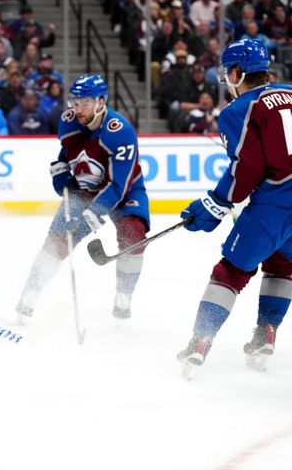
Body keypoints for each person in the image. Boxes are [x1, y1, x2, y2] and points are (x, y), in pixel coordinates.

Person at [176, 38, 292, 375]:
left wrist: (216, 202)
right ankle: (266, 334)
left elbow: (247, 168)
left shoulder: (240, 109)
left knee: (231, 271)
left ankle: (200, 342)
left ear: (238, 72)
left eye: (229, 72)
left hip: (274, 205)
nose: (227, 79)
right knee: (283, 265)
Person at [15, 75, 150, 320]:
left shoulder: (120, 132)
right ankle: (30, 292)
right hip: (84, 188)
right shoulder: (68, 122)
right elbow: (66, 154)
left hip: (125, 189)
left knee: (134, 234)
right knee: (58, 238)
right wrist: (61, 174)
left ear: (100, 102)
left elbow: (119, 184)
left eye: (85, 103)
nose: (78, 109)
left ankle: (124, 295)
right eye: (75, 102)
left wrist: (96, 210)